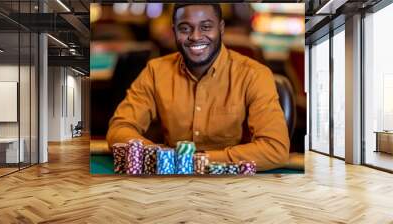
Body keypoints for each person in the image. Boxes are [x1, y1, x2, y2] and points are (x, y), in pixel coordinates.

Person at [107, 4, 290, 171]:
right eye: (185, 28)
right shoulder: (155, 71)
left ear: (221, 28)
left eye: (206, 27)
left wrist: (196, 161)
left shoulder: (255, 75)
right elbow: (120, 128)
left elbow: (275, 149)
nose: (195, 36)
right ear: (174, 32)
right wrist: (162, 156)